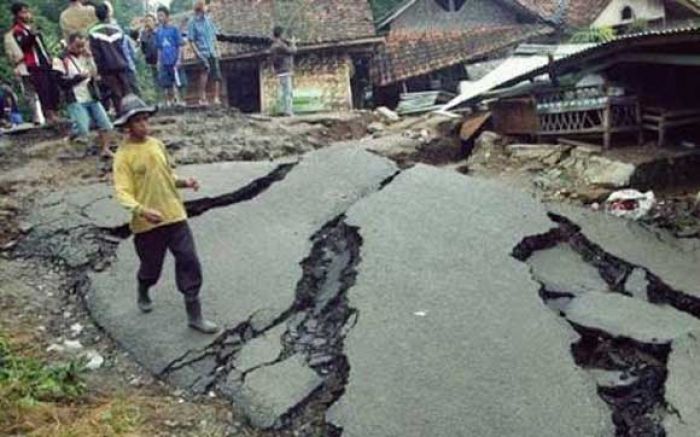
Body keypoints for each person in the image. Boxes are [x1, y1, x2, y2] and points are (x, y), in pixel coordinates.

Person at [112, 94, 218, 334]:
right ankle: (143, 287)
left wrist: (185, 182)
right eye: (138, 121)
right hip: (147, 225)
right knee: (152, 268)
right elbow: (122, 192)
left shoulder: (156, 144)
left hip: (174, 215)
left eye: (146, 119)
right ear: (127, 126)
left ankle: (194, 314)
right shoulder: (123, 156)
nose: (144, 125)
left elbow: (166, 175)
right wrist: (142, 210)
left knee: (189, 260)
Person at [59, 32, 113, 158]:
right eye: (78, 46)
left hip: (91, 94)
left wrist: (90, 59)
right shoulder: (61, 59)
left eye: (83, 46)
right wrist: (78, 78)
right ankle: (70, 139)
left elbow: (94, 74)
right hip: (75, 97)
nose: (81, 49)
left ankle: (105, 148)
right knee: (82, 128)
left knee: (105, 123)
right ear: (70, 44)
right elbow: (60, 81)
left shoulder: (86, 56)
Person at [9, 2, 60, 125]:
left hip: (45, 61)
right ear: (17, 15)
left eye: (27, 11)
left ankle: (56, 114)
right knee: (44, 90)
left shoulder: (31, 27)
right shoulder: (17, 30)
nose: (27, 14)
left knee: (53, 88)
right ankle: (49, 116)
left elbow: (41, 45)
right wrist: (32, 35)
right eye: (23, 12)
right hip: (34, 64)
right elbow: (24, 46)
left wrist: (49, 56)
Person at [89, 4, 131, 114]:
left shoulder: (93, 32)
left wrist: (98, 70)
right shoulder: (117, 29)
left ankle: (121, 117)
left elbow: (96, 54)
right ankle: (131, 115)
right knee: (126, 91)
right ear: (108, 13)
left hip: (106, 67)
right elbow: (123, 49)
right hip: (121, 64)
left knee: (116, 94)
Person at [187, 0, 222, 106]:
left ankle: (216, 98)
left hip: (212, 51)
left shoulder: (208, 20)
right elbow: (191, 40)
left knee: (216, 74)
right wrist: (197, 53)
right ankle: (202, 98)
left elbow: (214, 36)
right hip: (202, 52)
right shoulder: (192, 22)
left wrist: (218, 49)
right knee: (204, 73)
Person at [155, 6, 183, 107]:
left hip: (174, 59)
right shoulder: (158, 32)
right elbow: (159, 48)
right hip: (164, 60)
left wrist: (179, 59)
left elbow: (179, 45)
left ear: (167, 16)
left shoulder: (174, 29)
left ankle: (177, 100)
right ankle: (168, 102)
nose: (159, 18)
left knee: (176, 81)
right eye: (158, 16)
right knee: (165, 83)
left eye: (161, 16)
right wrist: (158, 61)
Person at [270, 26, 297, 117]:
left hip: (280, 71)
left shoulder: (274, 45)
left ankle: (283, 110)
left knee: (282, 91)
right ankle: (288, 112)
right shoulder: (280, 45)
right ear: (281, 34)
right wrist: (293, 43)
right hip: (285, 70)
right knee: (287, 92)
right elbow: (293, 51)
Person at [139, 14, 160, 97]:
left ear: (154, 22)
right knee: (154, 81)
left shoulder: (158, 32)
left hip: (160, 60)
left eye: (149, 21)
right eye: (146, 21)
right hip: (150, 62)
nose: (147, 23)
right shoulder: (144, 34)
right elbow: (143, 48)